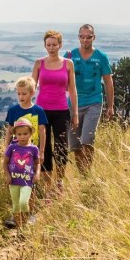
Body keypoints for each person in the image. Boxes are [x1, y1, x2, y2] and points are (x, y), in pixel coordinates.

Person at [32, 30, 78, 195]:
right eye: (48, 45)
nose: (51, 48)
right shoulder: (39, 63)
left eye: (54, 44)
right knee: (44, 148)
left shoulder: (68, 64)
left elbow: (72, 89)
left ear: (60, 45)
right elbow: (31, 88)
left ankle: (59, 182)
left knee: (61, 147)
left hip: (62, 110)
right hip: (41, 111)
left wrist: (76, 113)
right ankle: (47, 185)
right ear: (45, 45)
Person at [65, 24, 114, 174]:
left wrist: (110, 106)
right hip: (73, 104)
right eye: (82, 36)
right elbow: (62, 77)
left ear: (94, 37)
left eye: (88, 37)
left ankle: (88, 172)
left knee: (87, 139)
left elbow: (108, 82)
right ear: (78, 37)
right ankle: (83, 175)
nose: (85, 40)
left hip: (94, 102)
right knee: (75, 145)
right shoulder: (71, 55)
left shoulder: (101, 57)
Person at [3, 76, 47, 226]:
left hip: (32, 154)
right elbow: (9, 131)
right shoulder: (13, 111)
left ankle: (31, 213)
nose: (21, 97)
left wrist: (41, 152)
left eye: (24, 94)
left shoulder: (38, 111)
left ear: (32, 93)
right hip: (15, 154)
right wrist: (5, 149)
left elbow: (42, 132)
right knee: (15, 183)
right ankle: (15, 215)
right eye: (19, 94)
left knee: (31, 184)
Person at [3, 118, 40, 229]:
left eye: (25, 133)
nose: (22, 136)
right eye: (19, 134)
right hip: (13, 181)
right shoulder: (12, 148)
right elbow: (5, 163)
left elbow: (38, 163)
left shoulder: (33, 149)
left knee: (23, 202)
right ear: (15, 135)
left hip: (27, 181)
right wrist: (7, 175)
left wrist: (37, 173)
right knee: (16, 205)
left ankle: (26, 220)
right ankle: (20, 227)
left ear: (31, 133)